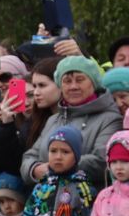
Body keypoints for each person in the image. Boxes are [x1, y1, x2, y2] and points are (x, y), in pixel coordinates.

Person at [20, 56, 119, 184]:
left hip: (87, 199)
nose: (73, 86)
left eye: (80, 80)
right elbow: (30, 156)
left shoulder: (110, 119)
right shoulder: (54, 120)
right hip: (49, 200)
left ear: (93, 83)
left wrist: (56, 166)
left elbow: (102, 161)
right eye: (67, 81)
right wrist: (34, 169)